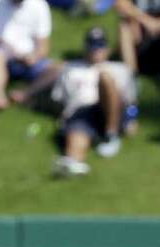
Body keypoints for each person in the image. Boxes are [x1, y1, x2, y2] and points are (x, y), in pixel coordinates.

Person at [50, 27, 137, 177]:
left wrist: (131, 118)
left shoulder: (120, 69)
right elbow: (59, 100)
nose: (96, 51)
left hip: (110, 109)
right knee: (77, 130)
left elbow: (131, 102)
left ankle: (111, 135)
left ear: (107, 48)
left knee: (105, 78)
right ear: (85, 48)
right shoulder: (70, 69)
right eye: (93, 47)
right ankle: (74, 163)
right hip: (81, 112)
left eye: (100, 47)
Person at [0, 0, 53, 112]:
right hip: (1, 49)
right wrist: (1, 43)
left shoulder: (39, 5)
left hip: (27, 56)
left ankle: (25, 94)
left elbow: (43, 47)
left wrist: (34, 56)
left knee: (58, 69)